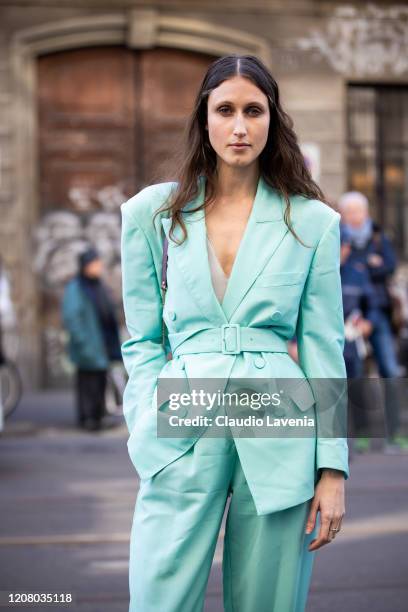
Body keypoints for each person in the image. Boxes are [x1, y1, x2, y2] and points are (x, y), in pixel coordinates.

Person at [121, 55, 349, 612]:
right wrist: (147, 412)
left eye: (254, 110)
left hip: (279, 416)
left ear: (274, 120)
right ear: (205, 118)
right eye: (225, 110)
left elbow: (324, 346)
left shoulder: (312, 221)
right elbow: (142, 337)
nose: (240, 126)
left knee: (268, 602)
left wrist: (333, 468)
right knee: (159, 597)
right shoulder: (152, 213)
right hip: (182, 414)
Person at [338, 191, 406, 453]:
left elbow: (388, 266)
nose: (355, 216)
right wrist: (366, 264)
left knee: (389, 369)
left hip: (377, 313)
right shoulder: (337, 239)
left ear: (366, 213)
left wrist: (366, 265)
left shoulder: (377, 237)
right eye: (350, 211)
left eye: (359, 211)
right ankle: (362, 434)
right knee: (354, 374)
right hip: (349, 315)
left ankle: (395, 433)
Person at [62, 247, 122, 431]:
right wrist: (83, 342)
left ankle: (97, 416)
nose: (99, 266)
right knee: (88, 382)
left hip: (101, 343)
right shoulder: (77, 287)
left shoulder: (97, 285)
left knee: (99, 381)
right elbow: (72, 317)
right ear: (86, 265)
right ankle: (88, 418)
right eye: (95, 263)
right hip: (88, 345)